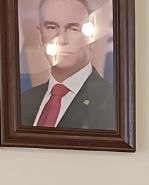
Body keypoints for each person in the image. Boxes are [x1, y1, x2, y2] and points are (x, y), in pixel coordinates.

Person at [20, 0, 116, 130]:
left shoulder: (113, 103)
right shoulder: (24, 101)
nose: (62, 40)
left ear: (91, 36)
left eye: (73, 28)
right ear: (40, 35)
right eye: (52, 27)